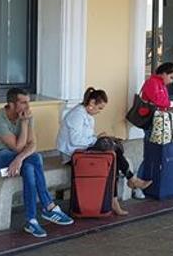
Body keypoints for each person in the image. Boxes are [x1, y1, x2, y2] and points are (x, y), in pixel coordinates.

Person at [0, 88, 74, 238]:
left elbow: (32, 144)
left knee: (29, 166)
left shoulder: (26, 115)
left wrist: (19, 159)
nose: (28, 106)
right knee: (35, 159)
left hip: (14, 158)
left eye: (28, 102)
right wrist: (24, 123)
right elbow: (18, 147)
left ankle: (31, 220)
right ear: (11, 104)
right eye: (23, 102)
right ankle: (48, 207)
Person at [57, 87, 152, 216]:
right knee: (111, 151)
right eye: (100, 108)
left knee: (112, 155)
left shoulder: (87, 115)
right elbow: (75, 140)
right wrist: (97, 139)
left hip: (82, 151)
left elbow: (86, 138)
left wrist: (97, 139)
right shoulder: (77, 115)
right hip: (72, 154)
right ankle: (130, 181)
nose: (100, 111)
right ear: (91, 103)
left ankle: (124, 189)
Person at [134, 63, 173, 199]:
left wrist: (172, 106)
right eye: (171, 77)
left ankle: (148, 184)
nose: (172, 81)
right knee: (150, 155)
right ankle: (138, 184)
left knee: (154, 155)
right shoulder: (152, 83)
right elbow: (159, 101)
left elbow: (163, 102)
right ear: (163, 73)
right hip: (151, 123)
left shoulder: (160, 84)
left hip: (158, 123)